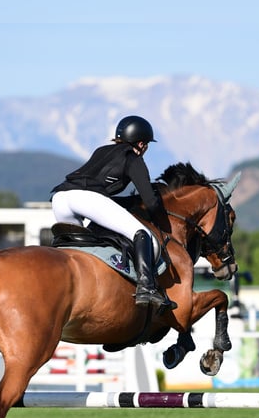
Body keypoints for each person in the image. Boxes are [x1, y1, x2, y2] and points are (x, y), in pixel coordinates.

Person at [50, 115, 172, 310]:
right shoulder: (133, 158)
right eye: (147, 144)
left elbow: (104, 195)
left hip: (60, 198)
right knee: (141, 234)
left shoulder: (102, 150)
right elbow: (150, 201)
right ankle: (146, 287)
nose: (146, 149)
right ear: (141, 143)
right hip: (86, 198)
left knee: (75, 252)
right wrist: (164, 222)